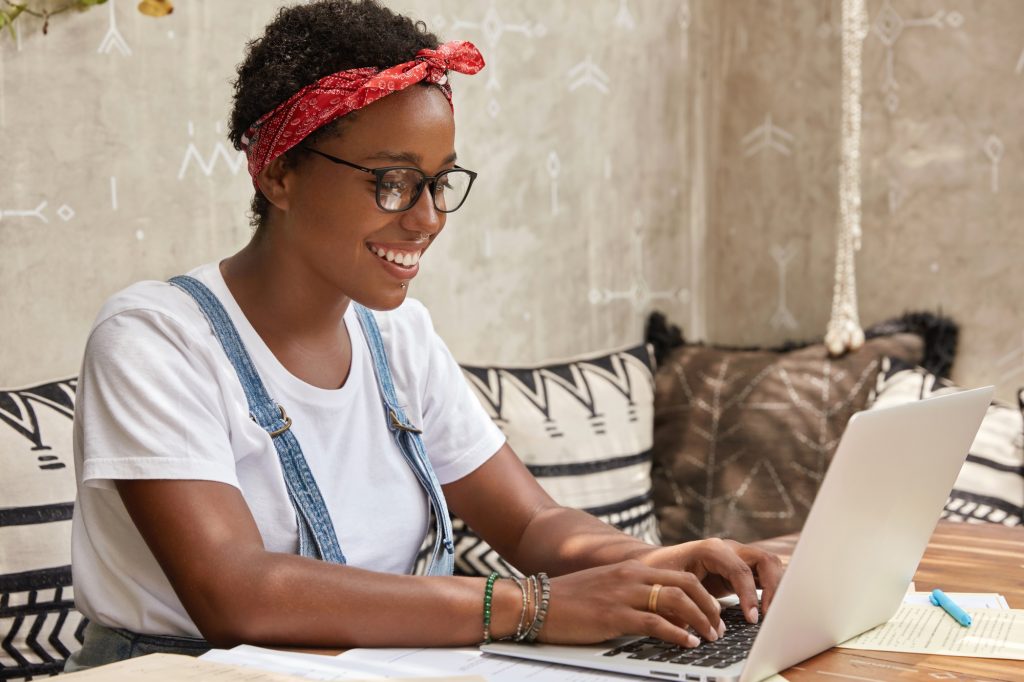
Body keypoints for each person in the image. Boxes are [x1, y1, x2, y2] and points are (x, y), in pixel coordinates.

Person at [66, 0, 782, 671]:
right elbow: (238, 594)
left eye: (440, 183)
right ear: (280, 175)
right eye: (393, 182)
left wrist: (662, 567)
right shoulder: (156, 339)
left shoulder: (396, 336)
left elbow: (533, 526)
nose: (428, 218)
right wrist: (532, 607)